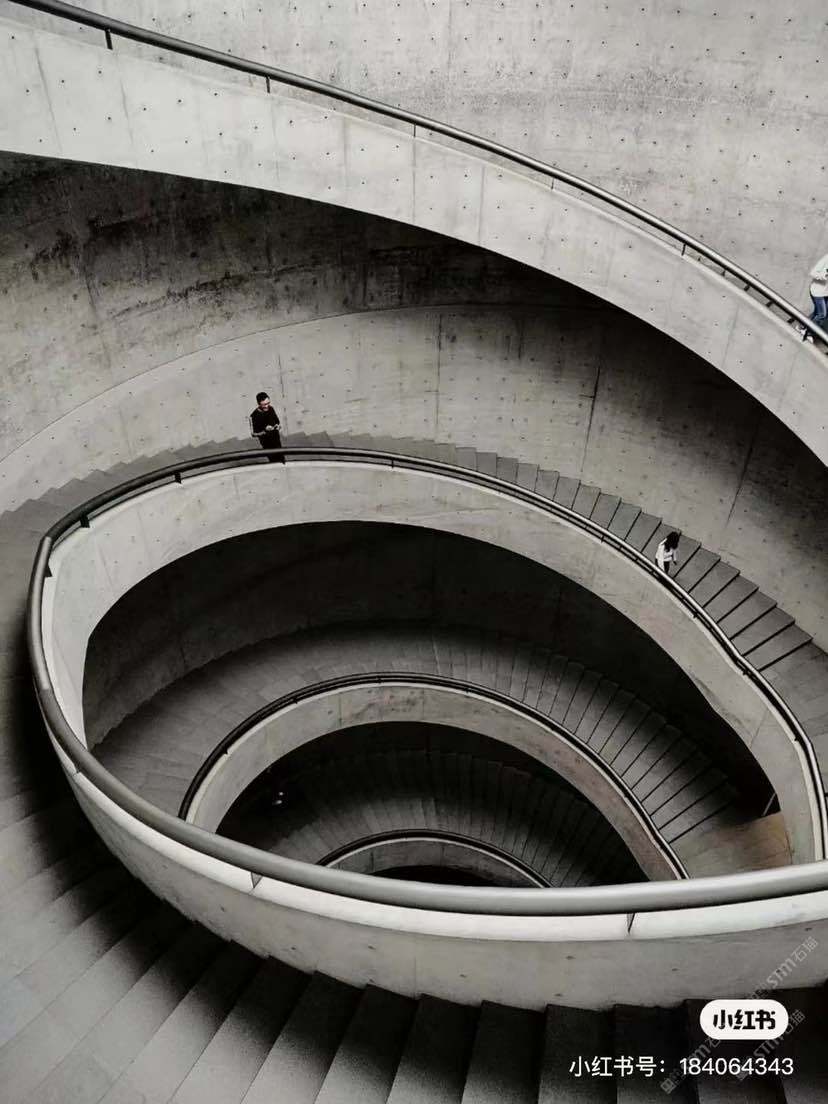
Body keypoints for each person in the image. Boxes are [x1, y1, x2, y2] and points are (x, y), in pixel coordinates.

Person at [249, 392, 285, 463]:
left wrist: (277, 426)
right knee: (273, 460)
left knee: (281, 458)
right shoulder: (253, 416)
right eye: (264, 404)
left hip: (276, 439)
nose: (267, 406)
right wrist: (265, 430)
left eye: (268, 403)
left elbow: (277, 421)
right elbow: (253, 434)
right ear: (259, 404)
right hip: (267, 443)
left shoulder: (271, 409)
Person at [808, 252, 828, 332]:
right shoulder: (826, 258)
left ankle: (802, 326)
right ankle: (809, 332)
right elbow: (813, 273)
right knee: (822, 315)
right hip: (818, 291)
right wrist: (825, 275)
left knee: (817, 312)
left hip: (826, 293)